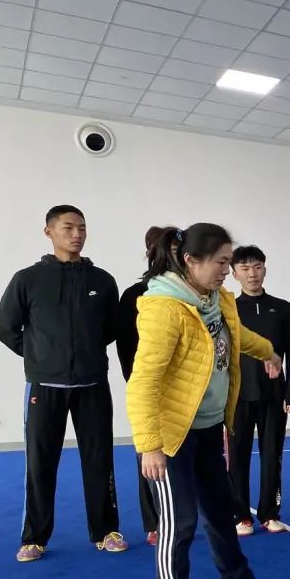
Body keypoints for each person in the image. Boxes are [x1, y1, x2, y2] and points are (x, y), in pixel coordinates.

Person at [127, 223, 281, 579]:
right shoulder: (164, 307)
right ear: (191, 260)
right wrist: (150, 447)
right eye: (221, 262)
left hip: (209, 427)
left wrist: (269, 352)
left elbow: (237, 336)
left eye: (229, 262)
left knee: (219, 510)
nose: (227, 271)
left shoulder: (217, 298)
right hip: (171, 437)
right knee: (180, 524)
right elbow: (143, 383)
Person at [0, 205, 126, 563]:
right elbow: (6, 328)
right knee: (40, 463)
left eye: (82, 228)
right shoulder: (27, 279)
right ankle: (35, 537)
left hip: (92, 385)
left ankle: (106, 530)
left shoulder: (102, 281)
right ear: (49, 232)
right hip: (44, 387)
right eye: (68, 227)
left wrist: (86, 353)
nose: (77, 234)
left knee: (99, 459)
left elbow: (111, 329)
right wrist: (42, 357)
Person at [228, 245, 290, 537]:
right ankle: (241, 515)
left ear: (265, 270)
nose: (252, 274)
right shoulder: (228, 309)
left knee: (272, 456)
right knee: (238, 458)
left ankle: (270, 513)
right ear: (234, 274)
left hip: (274, 396)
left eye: (257, 267)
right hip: (238, 397)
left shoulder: (282, 308)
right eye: (245, 268)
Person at [118, 226, 176, 547]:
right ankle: (154, 522)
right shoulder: (134, 295)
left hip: (183, 392)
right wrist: (141, 387)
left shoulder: (187, 294)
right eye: (162, 249)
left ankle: (182, 514)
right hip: (150, 390)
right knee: (149, 453)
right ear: (151, 252)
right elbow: (127, 349)